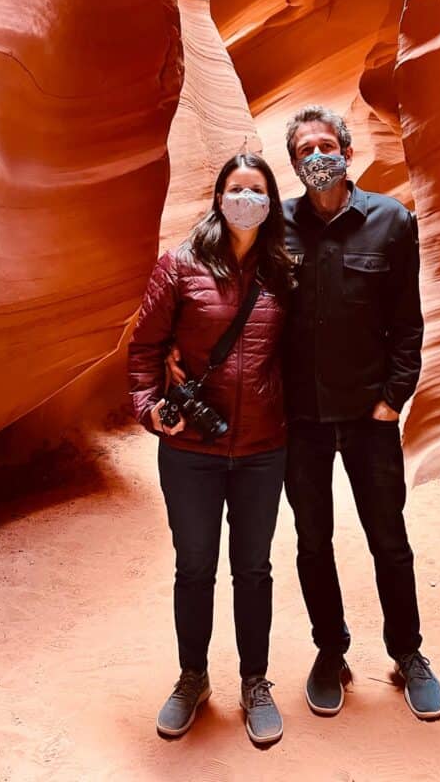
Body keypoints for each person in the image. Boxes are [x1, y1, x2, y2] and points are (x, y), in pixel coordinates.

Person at [280, 104, 440, 721]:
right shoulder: (279, 226)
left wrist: (392, 398)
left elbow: (407, 322)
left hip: (368, 414)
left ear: (346, 152)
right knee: (312, 541)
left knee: (388, 539)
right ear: (295, 164)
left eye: (326, 145)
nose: (316, 157)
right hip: (300, 418)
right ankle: (331, 652)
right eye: (304, 151)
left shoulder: (392, 221)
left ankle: (408, 654)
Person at [127, 152, 294, 745]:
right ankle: (192, 678)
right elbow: (144, 349)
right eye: (235, 189)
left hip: (261, 450)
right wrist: (150, 409)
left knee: (253, 569)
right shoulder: (179, 265)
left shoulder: (284, 270)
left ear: (271, 201)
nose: (245, 198)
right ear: (218, 197)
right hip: (192, 450)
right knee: (195, 567)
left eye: (256, 190)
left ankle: (256, 682)